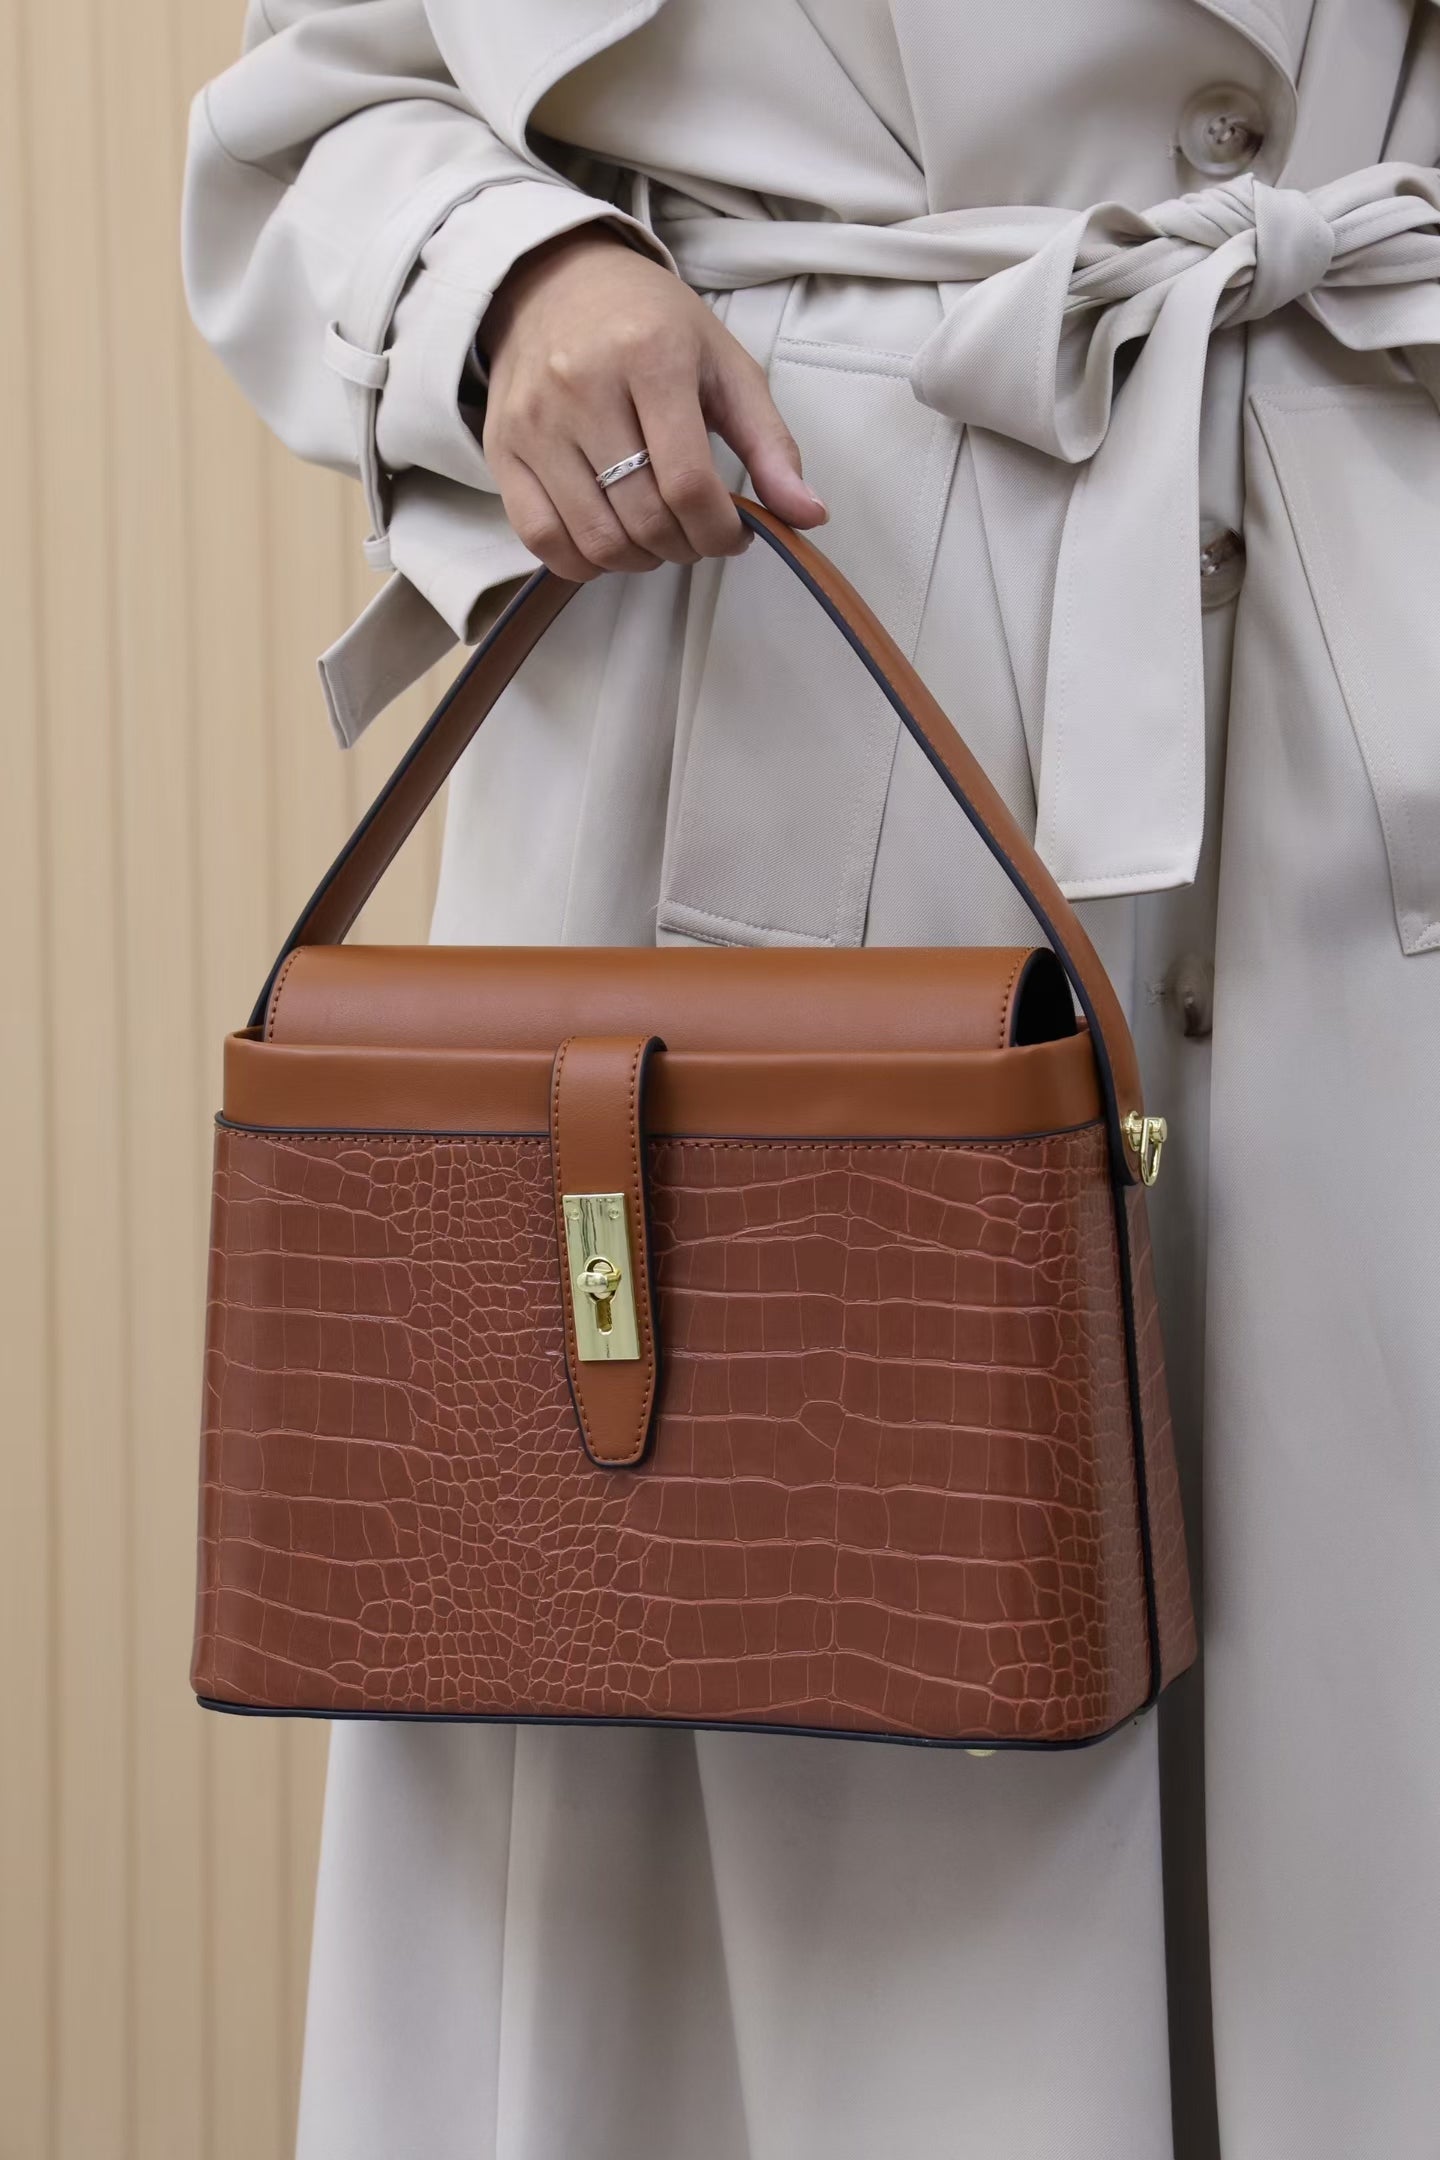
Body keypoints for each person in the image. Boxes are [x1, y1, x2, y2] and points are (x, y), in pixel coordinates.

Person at [182, 5, 1440, 2156]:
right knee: (815, 1799)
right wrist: (513, 277)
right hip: (772, 645)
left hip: (1364, 646)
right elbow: (322, 101)